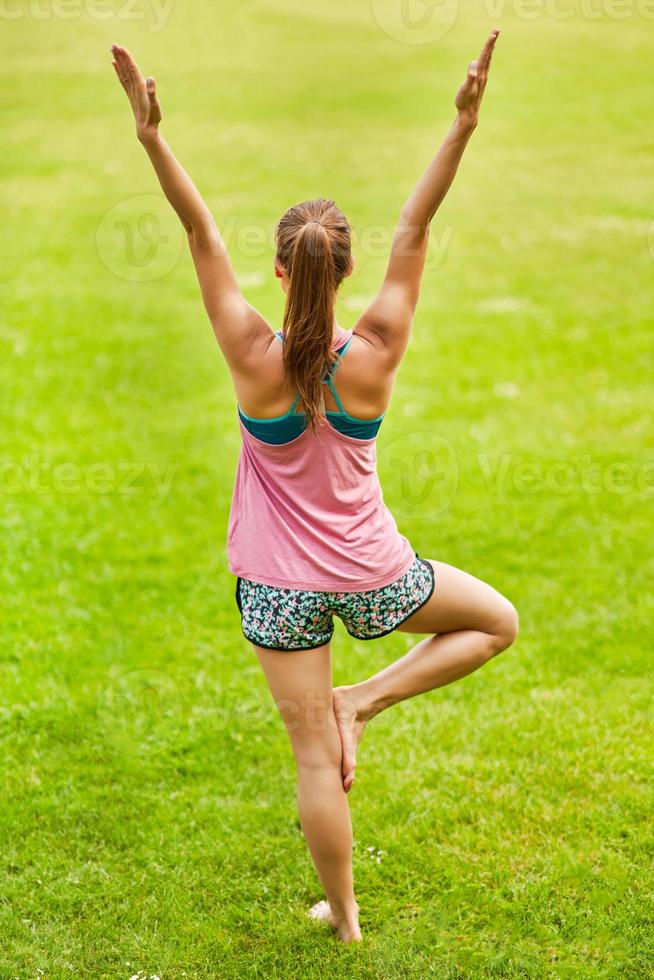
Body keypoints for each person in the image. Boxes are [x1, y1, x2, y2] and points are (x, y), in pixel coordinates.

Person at [111, 29, 517, 944]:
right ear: (343, 272)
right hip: (375, 574)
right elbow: (416, 228)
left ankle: (346, 922)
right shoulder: (374, 352)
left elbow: (199, 232)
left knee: (310, 758)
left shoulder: (251, 354)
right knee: (496, 622)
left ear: (284, 272)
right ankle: (365, 700)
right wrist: (461, 124)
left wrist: (151, 137)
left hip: (278, 590)